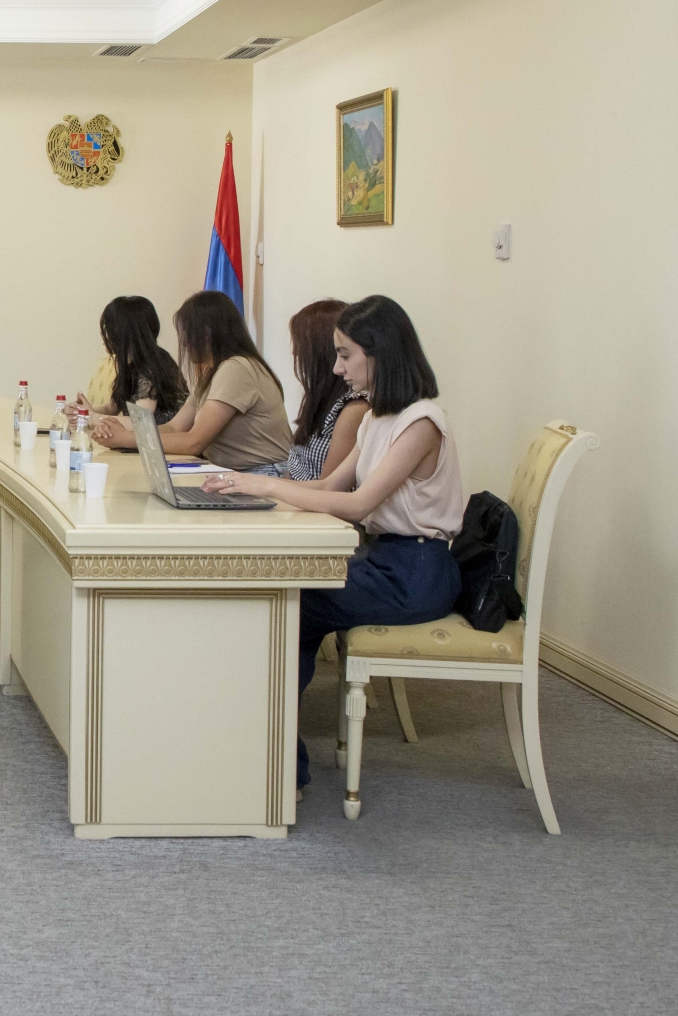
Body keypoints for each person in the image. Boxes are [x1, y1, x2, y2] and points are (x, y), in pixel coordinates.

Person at [201, 295, 464, 786]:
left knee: (286, 606)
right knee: (286, 603)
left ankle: (278, 764)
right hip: (387, 562)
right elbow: (327, 487)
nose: (337, 367)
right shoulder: (377, 417)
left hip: (416, 574)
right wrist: (252, 489)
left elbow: (358, 505)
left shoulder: (422, 423)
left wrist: (264, 486)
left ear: (379, 352)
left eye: (345, 355)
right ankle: (276, 758)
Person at [90, 290, 290, 473]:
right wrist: (125, 434)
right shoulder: (213, 372)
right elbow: (175, 427)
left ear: (207, 333)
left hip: (261, 473)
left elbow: (194, 442)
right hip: (229, 471)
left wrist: (126, 438)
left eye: (187, 332)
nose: (184, 341)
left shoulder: (237, 368)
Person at [283, 298, 367, 481]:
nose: (294, 352)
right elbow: (294, 468)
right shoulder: (320, 396)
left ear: (321, 349)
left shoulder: (355, 407)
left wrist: (265, 486)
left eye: (299, 343)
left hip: (311, 498)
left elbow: (328, 488)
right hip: (292, 494)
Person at [82, 296, 187, 424]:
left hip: (163, 436)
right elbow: (111, 408)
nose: (104, 334)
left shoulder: (151, 365)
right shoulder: (131, 363)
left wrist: (92, 417)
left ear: (124, 332)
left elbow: (141, 421)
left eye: (108, 328)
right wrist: (82, 412)